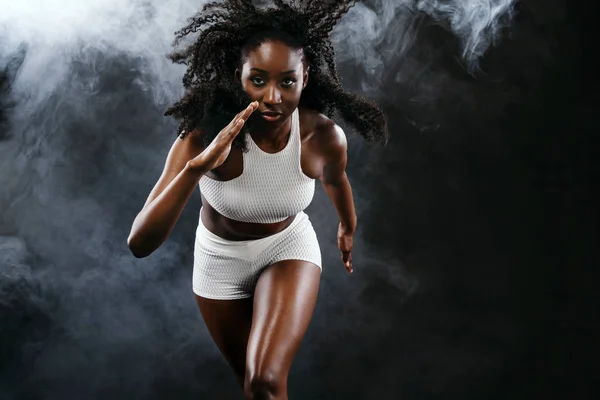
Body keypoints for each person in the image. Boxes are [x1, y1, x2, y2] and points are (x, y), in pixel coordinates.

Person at [127, 1, 387, 398]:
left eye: (287, 82)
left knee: (265, 382)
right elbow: (140, 243)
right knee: (253, 389)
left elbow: (336, 180)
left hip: (287, 247)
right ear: (238, 76)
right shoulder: (201, 136)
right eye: (258, 80)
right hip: (219, 260)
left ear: (305, 78)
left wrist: (347, 226)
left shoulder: (322, 137)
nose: (272, 98)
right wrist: (196, 168)